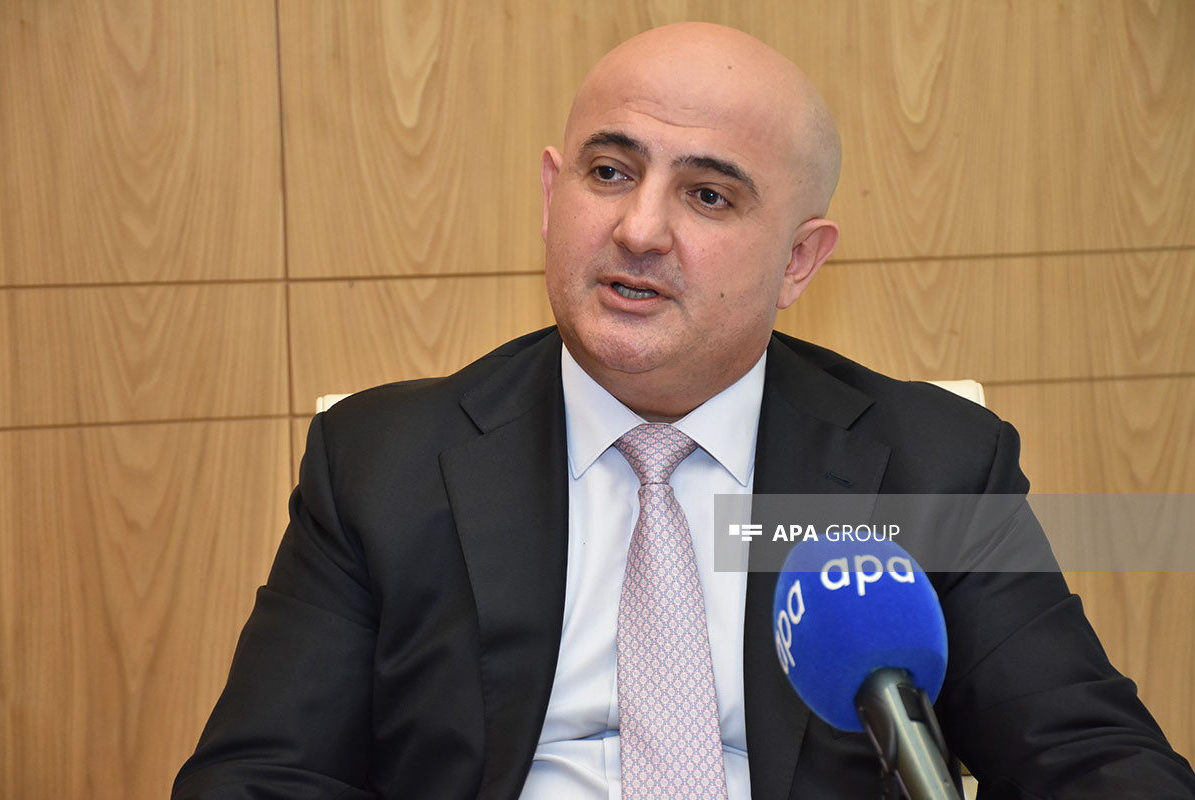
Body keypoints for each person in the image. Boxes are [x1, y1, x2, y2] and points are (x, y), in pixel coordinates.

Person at [173, 22, 1195, 799]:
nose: (639, 228)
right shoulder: (381, 464)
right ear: (552, 197)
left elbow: (1090, 755)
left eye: (709, 195)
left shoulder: (931, 466)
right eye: (609, 172)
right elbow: (258, 776)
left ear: (799, 261)